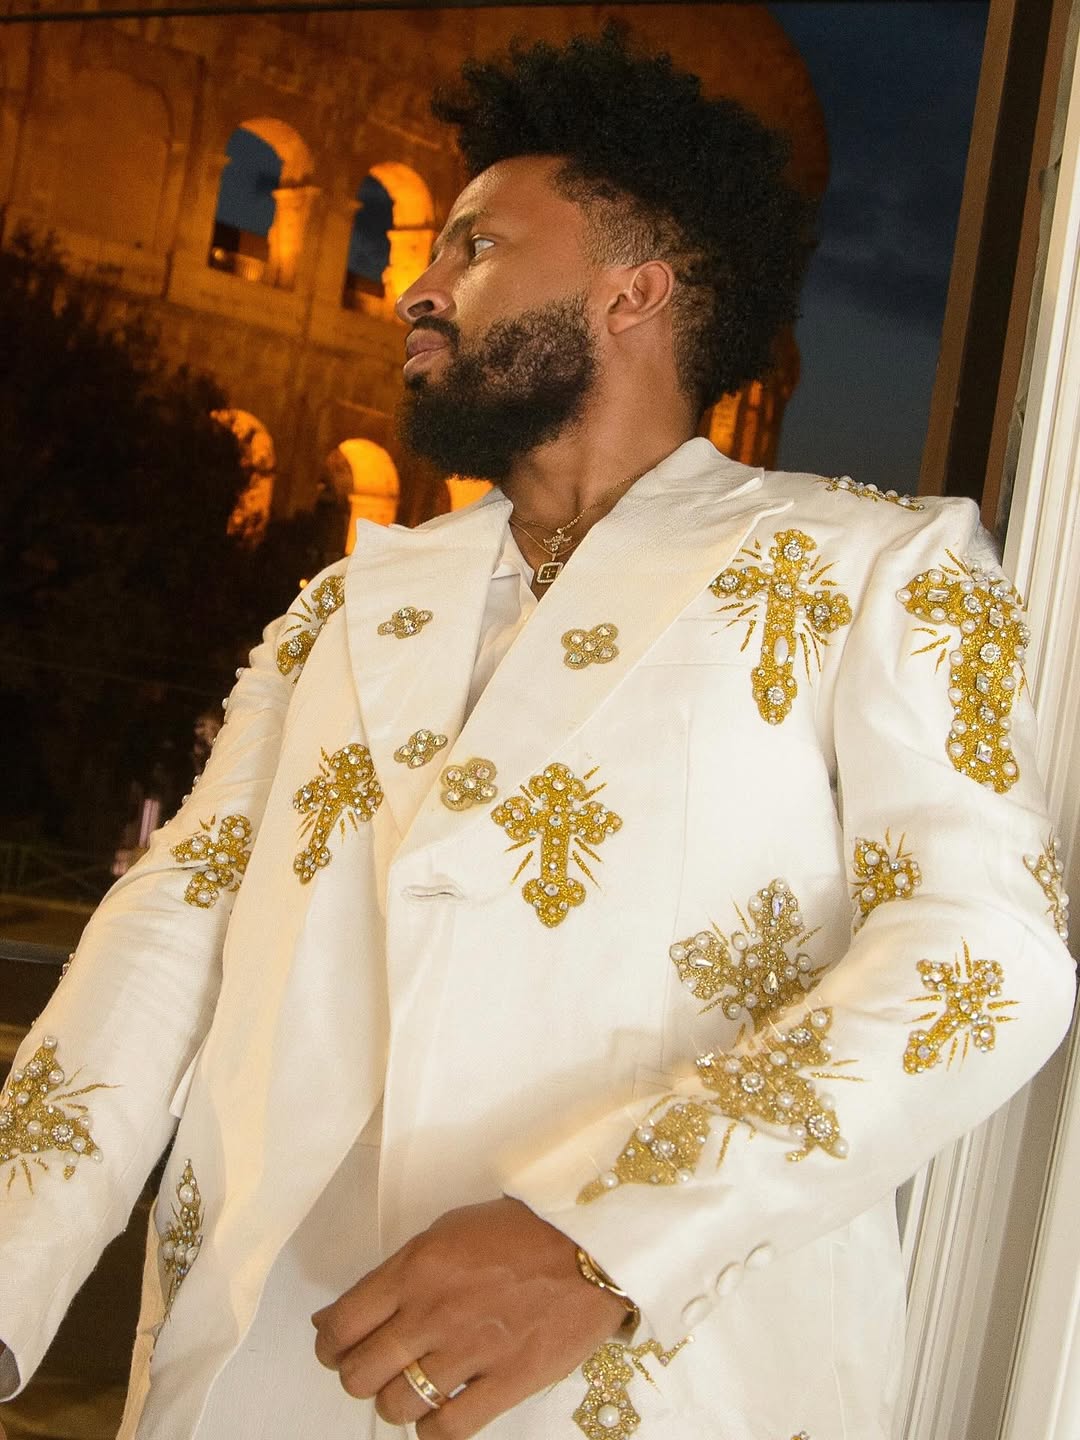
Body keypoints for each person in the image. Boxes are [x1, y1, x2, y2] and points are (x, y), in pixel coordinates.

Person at [0, 26, 1073, 1440]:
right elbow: (166, 940)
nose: (419, 287)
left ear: (636, 293)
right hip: (256, 1385)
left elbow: (982, 959)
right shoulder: (345, 606)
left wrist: (604, 1238)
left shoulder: (875, 571)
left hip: (659, 1393)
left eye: (477, 247)